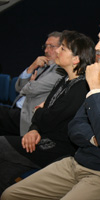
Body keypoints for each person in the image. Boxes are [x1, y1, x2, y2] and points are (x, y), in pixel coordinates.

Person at [1, 17, 100, 200]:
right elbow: (75, 126)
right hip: (78, 163)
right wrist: (95, 138)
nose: (97, 46)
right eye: (98, 39)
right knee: (10, 195)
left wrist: (95, 89)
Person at [0, 30, 94, 194]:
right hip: (42, 137)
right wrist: (34, 128)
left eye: (62, 48)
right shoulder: (65, 80)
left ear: (76, 59)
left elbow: (50, 117)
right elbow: (43, 114)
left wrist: (40, 113)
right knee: (5, 171)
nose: (56, 51)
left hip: (58, 149)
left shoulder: (80, 87)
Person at [0, 32, 63, 136]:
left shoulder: (60, 71)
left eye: (51, 47)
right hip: (17, 110)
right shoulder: (43, 65)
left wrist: (31, 84)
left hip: (27, 118)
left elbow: (28, 89)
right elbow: (18, 87)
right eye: (45, 46)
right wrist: (32, 67)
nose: (46, 50)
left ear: (62, 49)